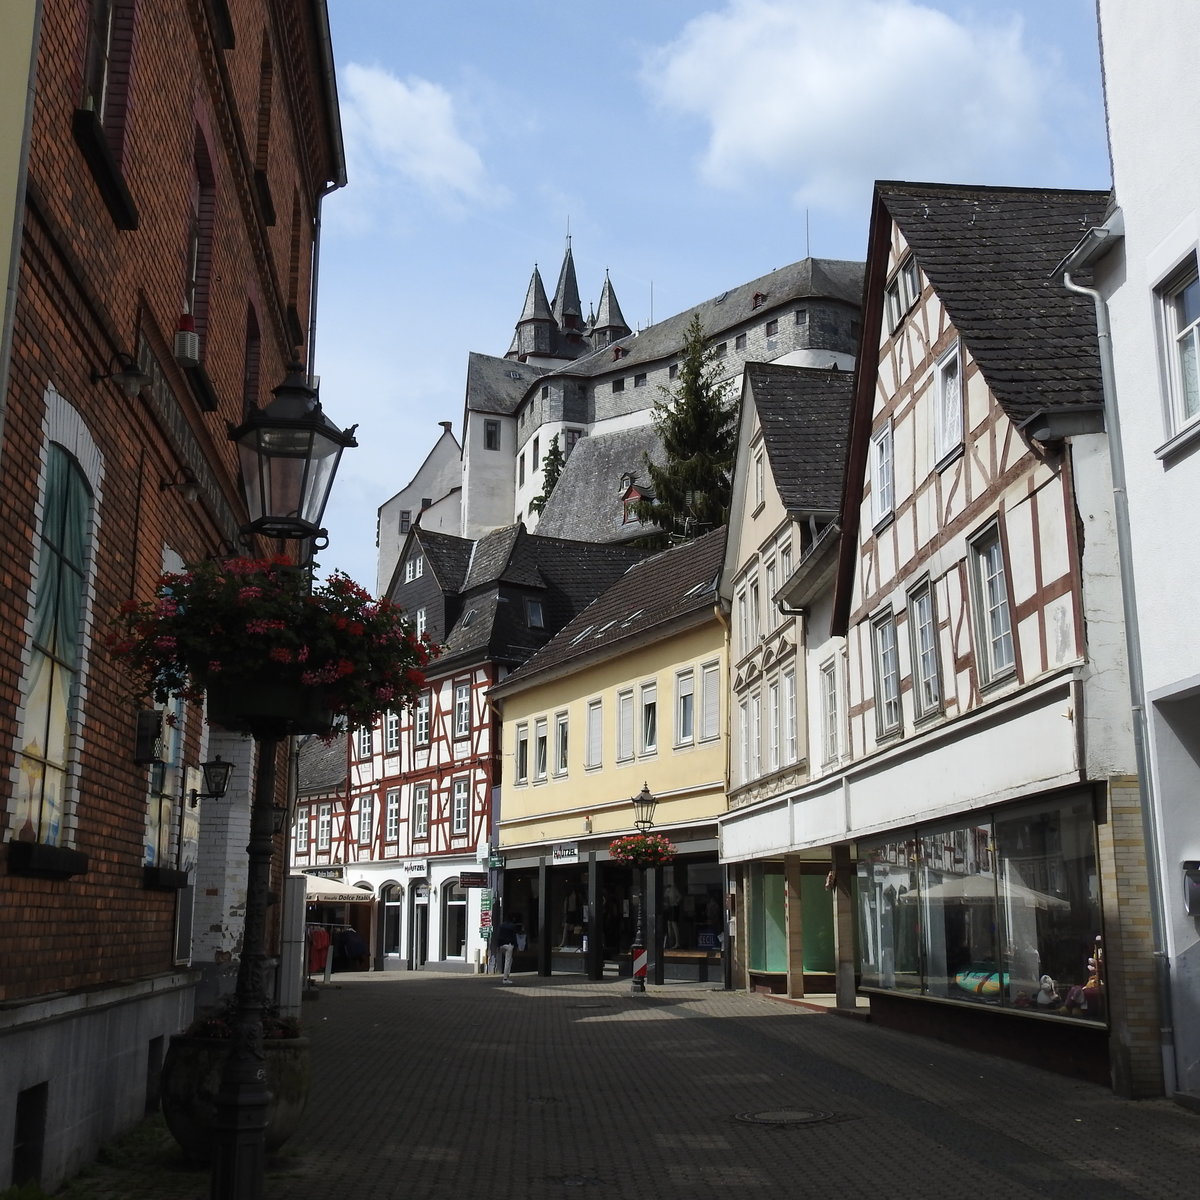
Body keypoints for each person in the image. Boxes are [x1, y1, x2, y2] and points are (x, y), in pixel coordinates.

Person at [495, 917, 518, 984]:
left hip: (502, 945)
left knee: (510, 960)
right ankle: (505, 978)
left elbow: (498, 935)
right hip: (509, 945)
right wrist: (516, 946)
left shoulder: (501, 926)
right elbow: (514, 937)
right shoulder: (512, 926)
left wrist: (498, 946)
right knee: (507, 961)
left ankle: (507, 975)